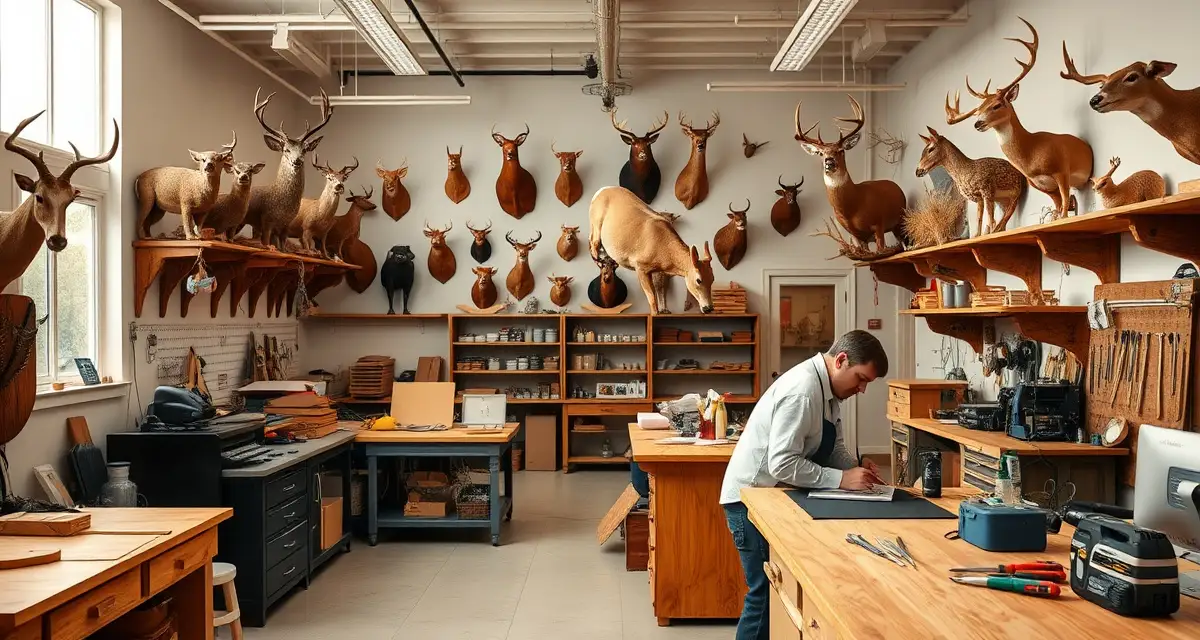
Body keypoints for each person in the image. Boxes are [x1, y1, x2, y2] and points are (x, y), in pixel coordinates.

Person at [719, 329, 888, 640]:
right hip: (749, 500)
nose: (862, 389)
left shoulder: (830, 392)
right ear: (841, 360)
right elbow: (781, 463)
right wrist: (841, 479)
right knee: (765, 595)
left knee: (780, 593)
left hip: (772, 496)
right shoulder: (803, 390)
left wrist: (854, 468)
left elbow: (833, 446)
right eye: (861, 378)